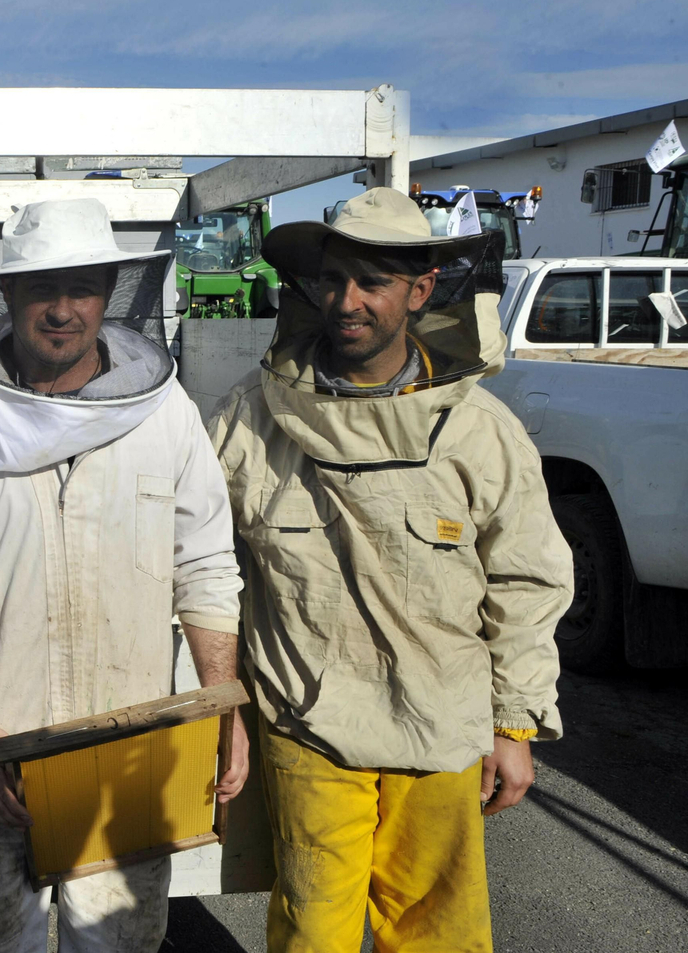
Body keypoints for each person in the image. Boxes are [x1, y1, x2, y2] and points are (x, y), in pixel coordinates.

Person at [206, 187, 573, 953]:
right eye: (335, 278)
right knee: (314, 935)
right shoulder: (250, 416)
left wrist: (515, 724)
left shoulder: (479, 429)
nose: (348, 301)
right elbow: (197, 553)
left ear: (421, 290)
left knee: (439, 938)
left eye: (373, 281)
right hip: (309, 724)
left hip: (440, 728)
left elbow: (528, 580)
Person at [0, 198, 248, 952]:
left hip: (130, 746)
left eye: (81, 287)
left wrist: (223, 708)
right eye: (41, 290)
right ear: (8, 296)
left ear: (109, 292)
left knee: (119, 942)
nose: (62, 310)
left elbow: (207, 565)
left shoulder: (169, 416)